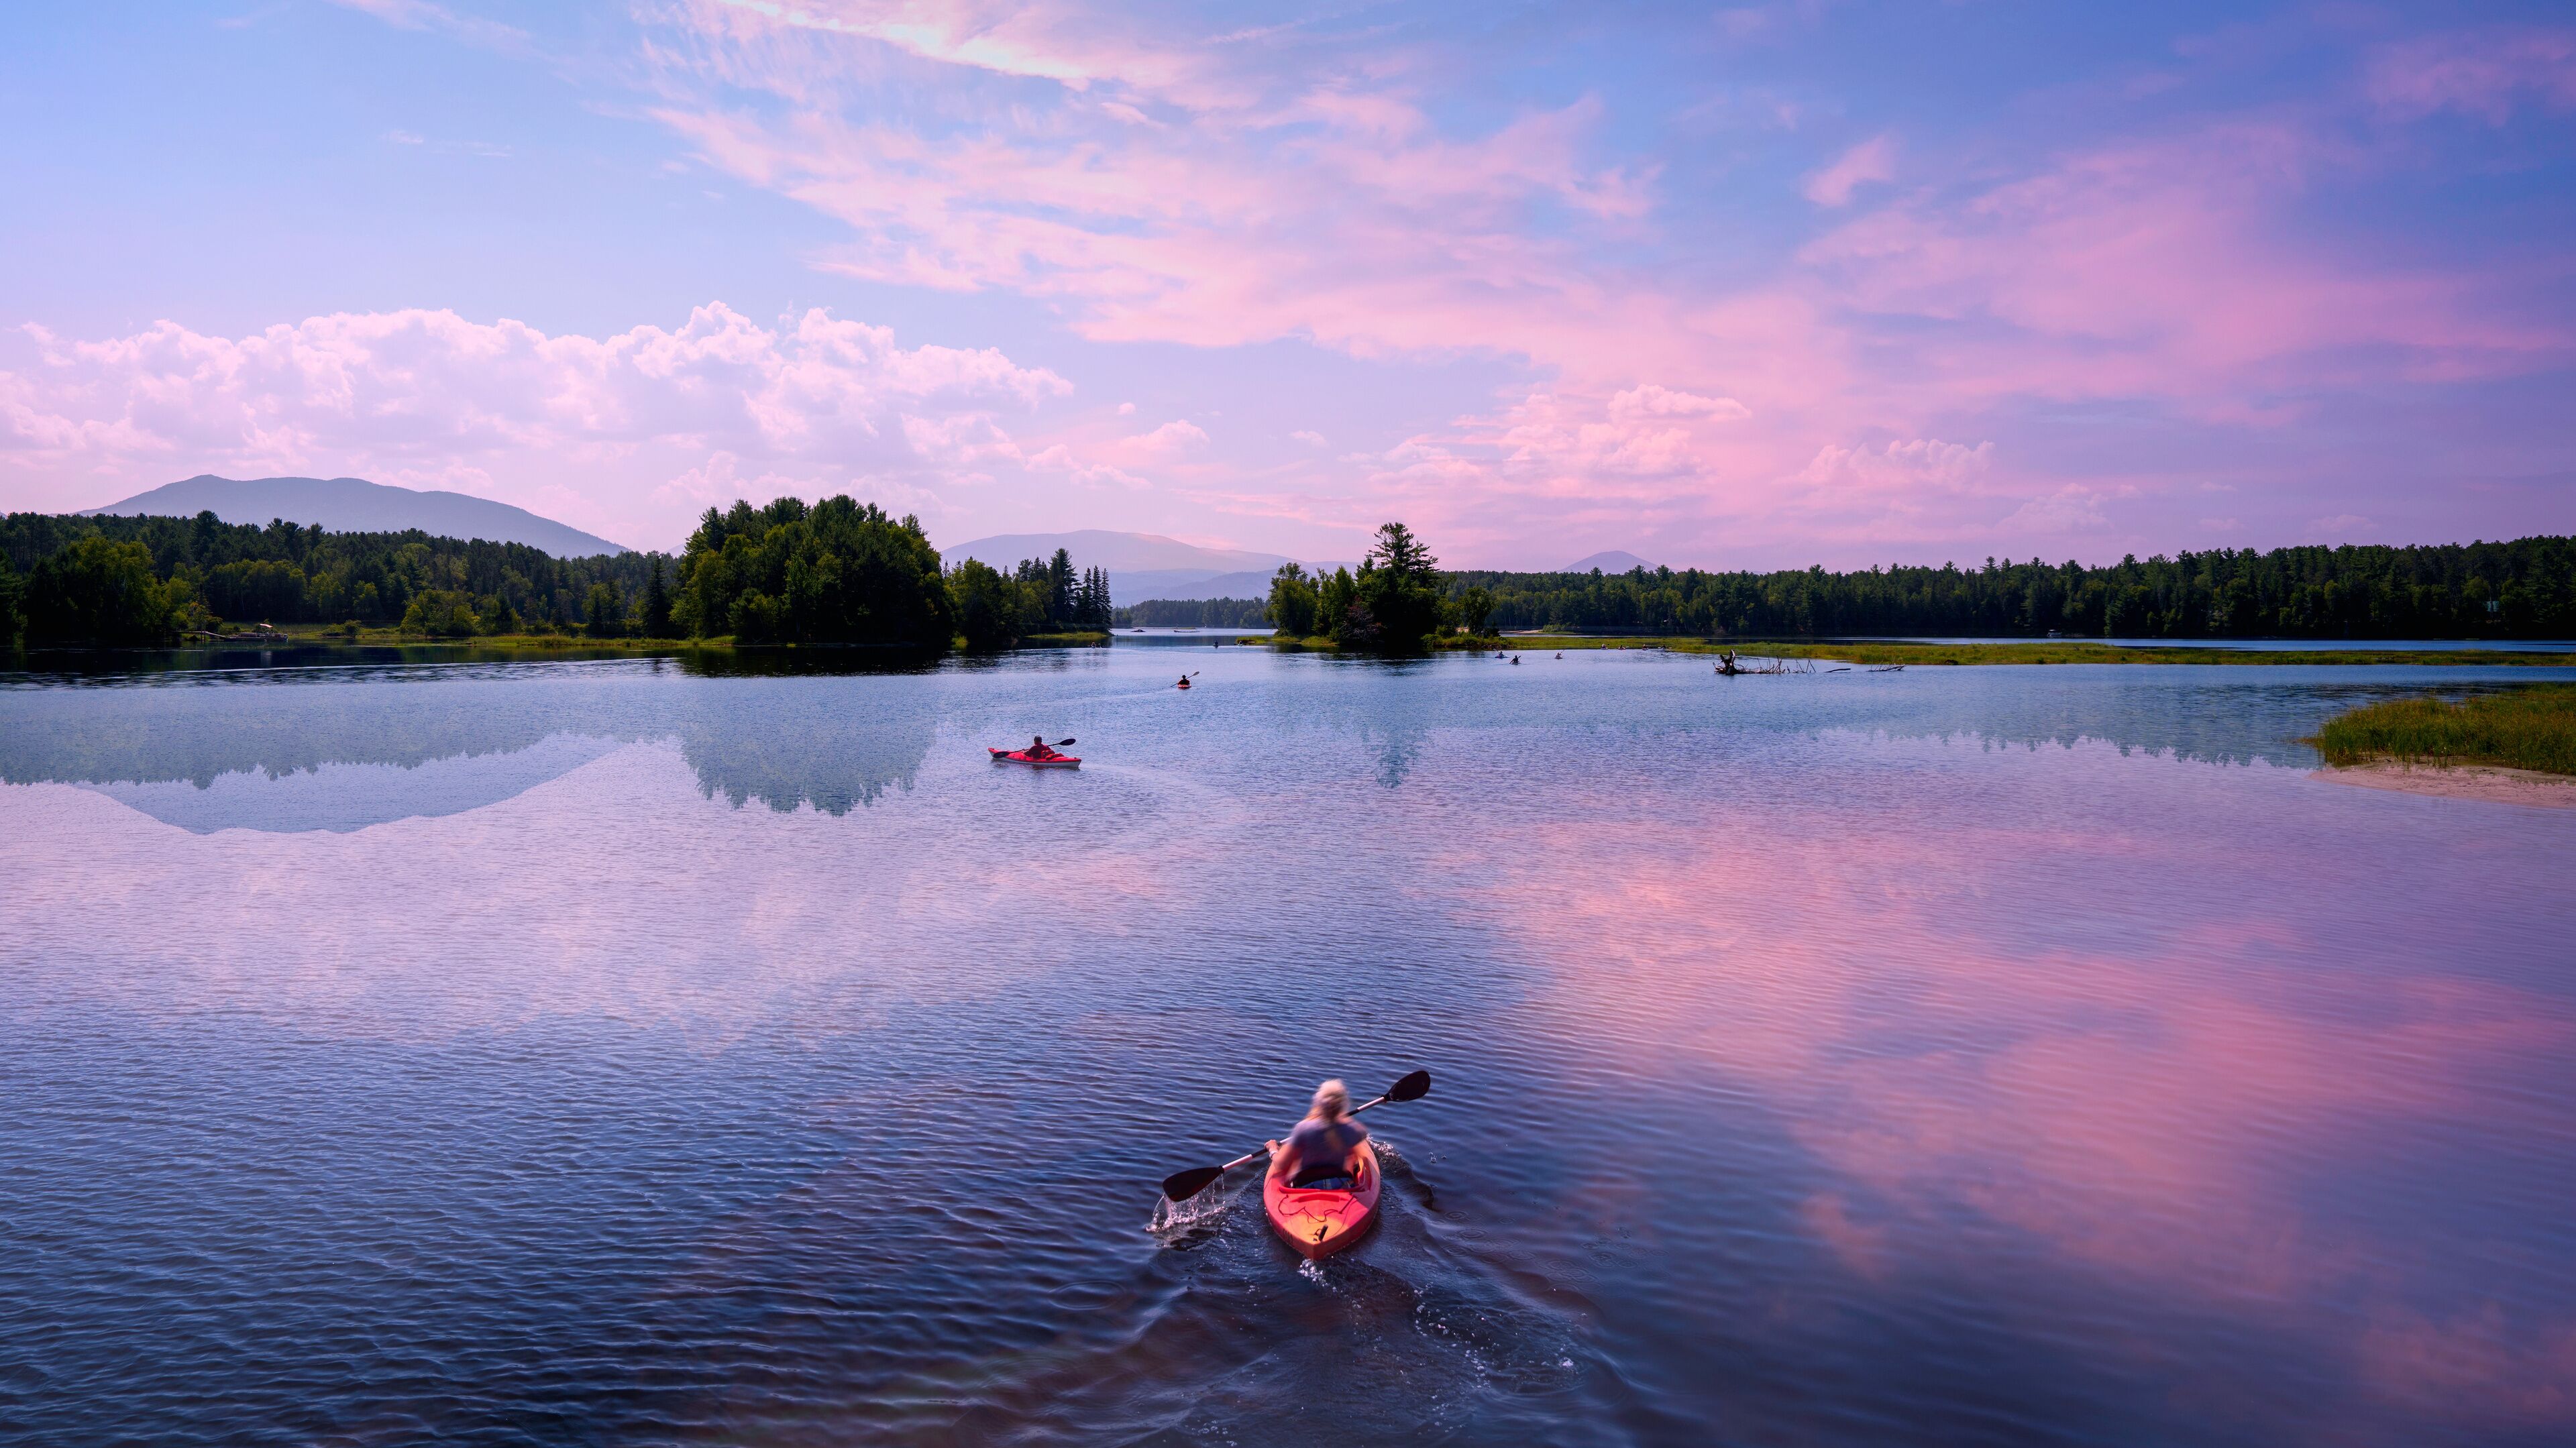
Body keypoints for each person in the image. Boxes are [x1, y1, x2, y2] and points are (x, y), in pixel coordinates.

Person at [1267, 1079, 1369, 1190]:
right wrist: (1341, 1118)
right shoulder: (1350, 1130)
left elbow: (1281, 1165)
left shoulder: (1303, 1128)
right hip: (1341, 1184)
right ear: (1343, 1104)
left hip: (1306, 1185)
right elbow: (1362, 1134)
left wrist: (1273, 1150)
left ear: (1318, 1102)